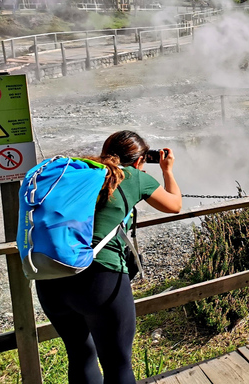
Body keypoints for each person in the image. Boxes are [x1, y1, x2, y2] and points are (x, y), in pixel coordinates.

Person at [35, 131, 182, 384]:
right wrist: (167, 170)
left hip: (51, 275)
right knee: (117, 363)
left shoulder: (81, 172)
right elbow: (174, 204)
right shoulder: (134, 176)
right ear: (138, 161)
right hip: (98, 281)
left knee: (80, 355)